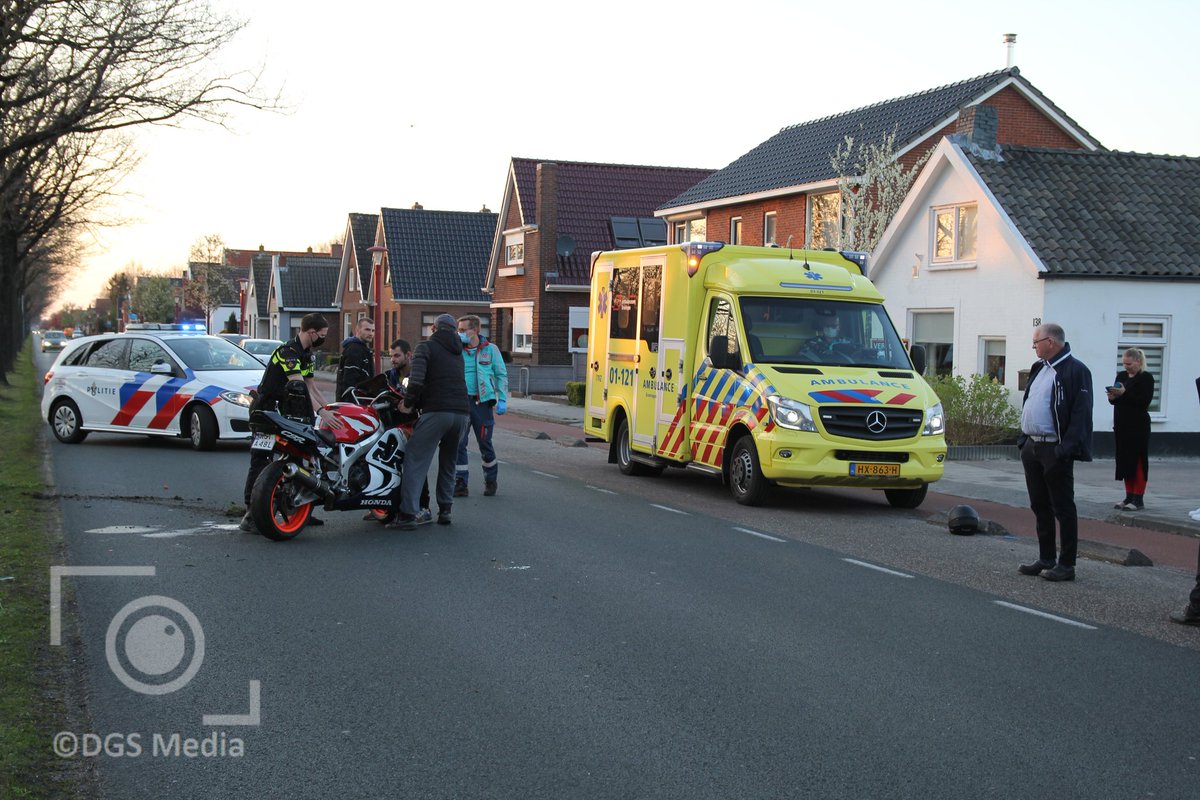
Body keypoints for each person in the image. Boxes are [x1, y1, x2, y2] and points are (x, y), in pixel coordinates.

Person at [240, 313, 343, 533]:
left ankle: (301, 508)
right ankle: (251, 513)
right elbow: (299, 387)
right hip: (266, 410)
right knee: (261, 461)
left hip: (287, 412)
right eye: (322, 335)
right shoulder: (288, 353)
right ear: (311, 332)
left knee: (302, 459)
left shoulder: (307, 355)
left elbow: (312, 386)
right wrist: (322, 413)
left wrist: (330, 408)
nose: (323, 339)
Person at [1016, 323, 1094, 582]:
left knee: (1063, 506)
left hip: (1054, 447)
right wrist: (1024, 440)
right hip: (1032, 446)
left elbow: (1081, 413)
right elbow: (1031, 400)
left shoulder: (1076, 371)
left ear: (1051, 342)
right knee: (1039, 504)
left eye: (1036, 342)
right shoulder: (1039, 368)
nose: (1034, 347)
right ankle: (1046, 557)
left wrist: (1065, 449)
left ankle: (1067, 564)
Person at [388, 314, 468, 530]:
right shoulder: (458, 352)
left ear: (434, 328)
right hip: (462, 413)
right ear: (453, 331)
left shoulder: (426, 347)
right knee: (449, 461)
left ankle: (408, 514)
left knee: (415, 457)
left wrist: (408, 403)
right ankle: (446, 510)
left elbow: (417, 379)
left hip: (438, 411)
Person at [454, 314, 508, 497]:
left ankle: (491, 480)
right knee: (459, 443)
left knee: (485, 442)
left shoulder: (490, 350)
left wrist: (502, 399)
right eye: (458, 330)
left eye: (463, 330)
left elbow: (501, 374)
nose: (459, 333)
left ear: (475, 330)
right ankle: (461, 483)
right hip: (461, 403)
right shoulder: (456, 350)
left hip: (482, 404)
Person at [1107, 347, 1153, 510]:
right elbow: (1117, 401)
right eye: (1124, 363)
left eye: (1129, 364)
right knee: (1125, 460)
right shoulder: (1121, 376)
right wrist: (1112, 397)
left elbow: (1144, 401)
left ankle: (1138, 499)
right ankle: (1128, 497)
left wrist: (1124, 393)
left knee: (1138, 460)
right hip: (1121, 424)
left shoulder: (1146, 378)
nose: (1126, 367)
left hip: (1138, 425)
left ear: (1138, 361)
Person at [336, 317, 375, 402]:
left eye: (373, 331)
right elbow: (349, 380)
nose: (371, 333)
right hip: (354, 403)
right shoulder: (354, 350)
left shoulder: (362, 349)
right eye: (367, 330)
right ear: (358, 329)